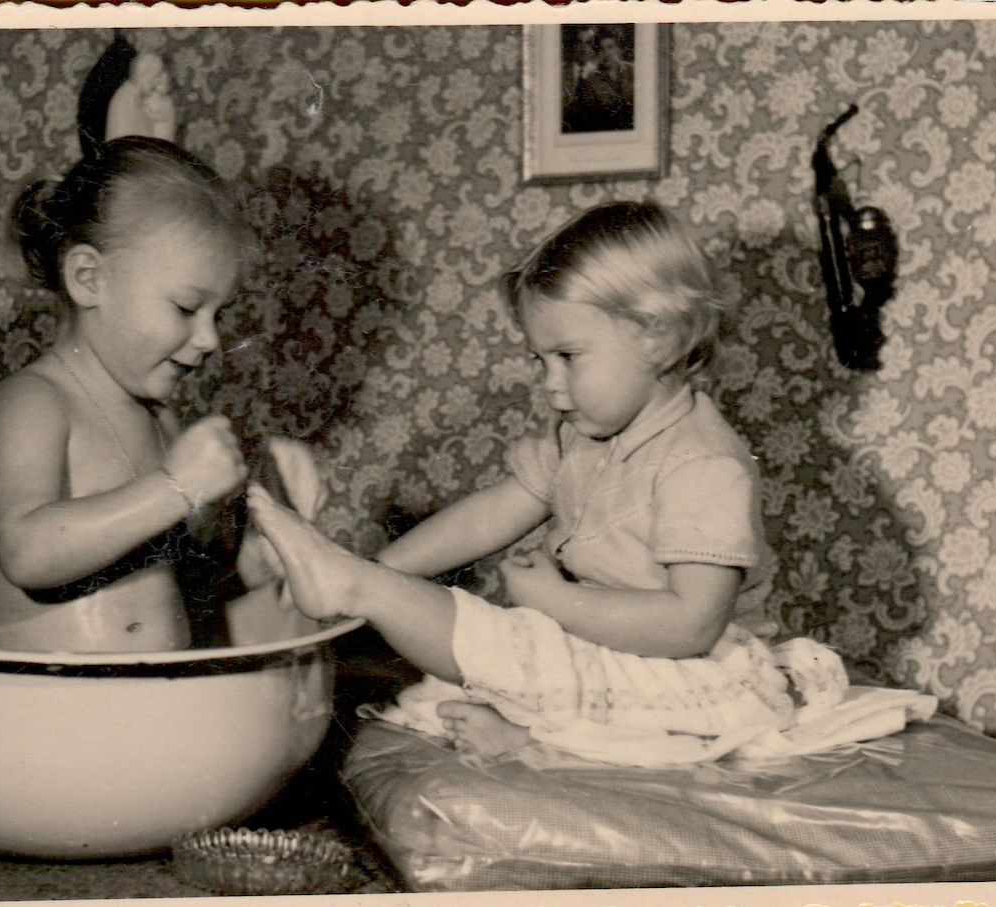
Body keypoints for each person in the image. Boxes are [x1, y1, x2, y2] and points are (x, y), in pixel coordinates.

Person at [247, 202, 912, 766]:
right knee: (488, 654)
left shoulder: (702, 465)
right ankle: (358, 580)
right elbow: (491, 515)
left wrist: (556, 605)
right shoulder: (583, 437)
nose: (549, 384)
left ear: (658, 335)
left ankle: (530, 732)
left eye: (567, 357)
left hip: (706, 673)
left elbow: (691, 623)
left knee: (510, 647)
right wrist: (385, 561)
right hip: (610, 647)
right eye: (539, 359)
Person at [0, 135, 271, 654]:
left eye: (217, 316)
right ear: (89, 279)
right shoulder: (35, 401)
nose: (210, 339)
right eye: (185, 308)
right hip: (30, 709)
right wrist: (176, 485)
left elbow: (187, 575)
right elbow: (26, 553)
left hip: (143, 706)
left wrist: (261, 554)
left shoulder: (161, 421)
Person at [564, 25, 635, 134]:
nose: (606, 53)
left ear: (618, 49)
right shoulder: (590, 80)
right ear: (596, 52)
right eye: (601, 49)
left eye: (610, 47)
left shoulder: (634, 71)